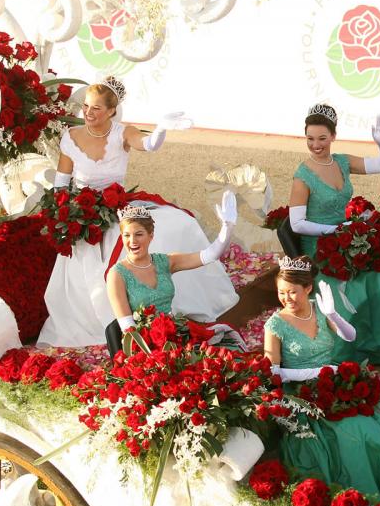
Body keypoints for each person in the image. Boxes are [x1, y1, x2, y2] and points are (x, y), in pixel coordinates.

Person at [37, 77, 238, 347]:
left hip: (118, 204)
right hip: (82, 212)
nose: (88, 113)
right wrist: (64, 210)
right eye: (85, 106)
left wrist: (161, 128)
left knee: (176, 223)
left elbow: (150, 145)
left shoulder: (123, 132)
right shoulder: (71, 137)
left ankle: (170, 304)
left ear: (111, 111)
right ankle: (120, 321)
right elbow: (62, 181)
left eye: (96, 108)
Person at [264, 255, 380, 502]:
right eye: (281, 292)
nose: (286, 298)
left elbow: (350, 335)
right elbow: (272, 371)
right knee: (353, 430)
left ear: (308, 288)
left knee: (377, 417)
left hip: (335, 382)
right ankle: (363, 495)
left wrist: (333, 315)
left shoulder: (319, 308)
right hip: (302, 392)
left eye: (292, 292)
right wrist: (314, 373)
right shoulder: (274, 325)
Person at [288, 103, 380, 364]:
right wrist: (337, 229)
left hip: (347, 236)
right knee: (368, 279)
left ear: (333, 136)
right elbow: (297, 224)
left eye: (322, 138)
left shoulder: (342, 161)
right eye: (310, 139)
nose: (316, 145)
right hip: (321, 248)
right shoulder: (302, 175)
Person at [106, 193, 244, 348]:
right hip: (142, 346)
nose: (132, 241)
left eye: (139, 234)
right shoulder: (117, 274)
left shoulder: (165, 262)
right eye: (126, 235)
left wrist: (227, 229)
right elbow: (128, 329)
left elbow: (209, 255)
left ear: (151, 236)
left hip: (176, 336)